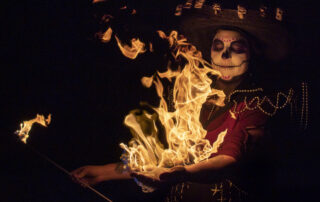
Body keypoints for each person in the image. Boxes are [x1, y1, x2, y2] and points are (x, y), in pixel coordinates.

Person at [72, 3, 299, 201]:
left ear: (252, 52)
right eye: (218, 47)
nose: (225, 55)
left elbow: (228, 160)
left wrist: (182, 173)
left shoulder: (259, 104)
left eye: (237, 48)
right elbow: (163, 158)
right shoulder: (195, 95)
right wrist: (103, 172)